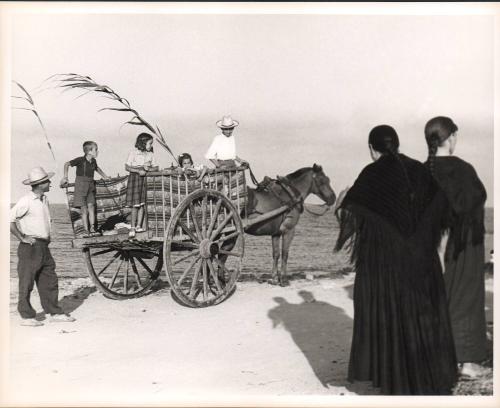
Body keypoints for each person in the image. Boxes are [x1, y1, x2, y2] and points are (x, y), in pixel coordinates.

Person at [334, 125, 457, 395]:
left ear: (372, 149)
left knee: (390, 314)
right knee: (420, 314)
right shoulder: (419, 170)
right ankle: (429, 376)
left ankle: (395, 378)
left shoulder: (371, 174)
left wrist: (342, 203)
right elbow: (443, 211)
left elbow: (350, 220)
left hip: (386, 265)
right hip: (423, 261)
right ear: (397, 145)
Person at [424, 116, 488, 378]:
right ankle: (468, 362)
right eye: (455, 137)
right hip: (464, 244)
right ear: (449, 138)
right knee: (466, 298)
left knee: (437, 298)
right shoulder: (462, 169)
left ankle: (437, 356)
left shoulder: (422, 170)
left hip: (432, 244)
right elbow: (469, 206)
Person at [10, 166, 76, 326]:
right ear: (40, 184)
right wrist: (22, 237)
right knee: (26, 281)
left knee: (49, 279)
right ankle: (27, 316)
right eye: (47, 181)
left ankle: (54, 312)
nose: (50, 183)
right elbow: (9, 220)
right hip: (30, 247)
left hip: (43, 246)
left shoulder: (45, 199)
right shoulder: (26, 200)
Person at [60, 141, 110, 237]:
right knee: (84, 209)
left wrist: (105, 176)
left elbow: (97, 169)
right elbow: (66, 164)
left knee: (91, 206)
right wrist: (65, 177)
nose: (97, 152)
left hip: (90, 185)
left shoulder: (94, 161)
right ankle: (86, 230)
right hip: (80, 185)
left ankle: (92, 228)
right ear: (89, 152)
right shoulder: (80, 160)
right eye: (96, 150)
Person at [125, 132, 158, 237]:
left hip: (145, 179)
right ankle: (132, 227)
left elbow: (156, 167)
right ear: (143, 143)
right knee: (135, 204)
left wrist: (148, 169)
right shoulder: (133, 153)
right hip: (135, 178)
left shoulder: (151, 155)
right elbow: (127, 167)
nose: (151, 146)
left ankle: (139, 226)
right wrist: (138, 171)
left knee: (142, 204)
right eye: (150, 143)